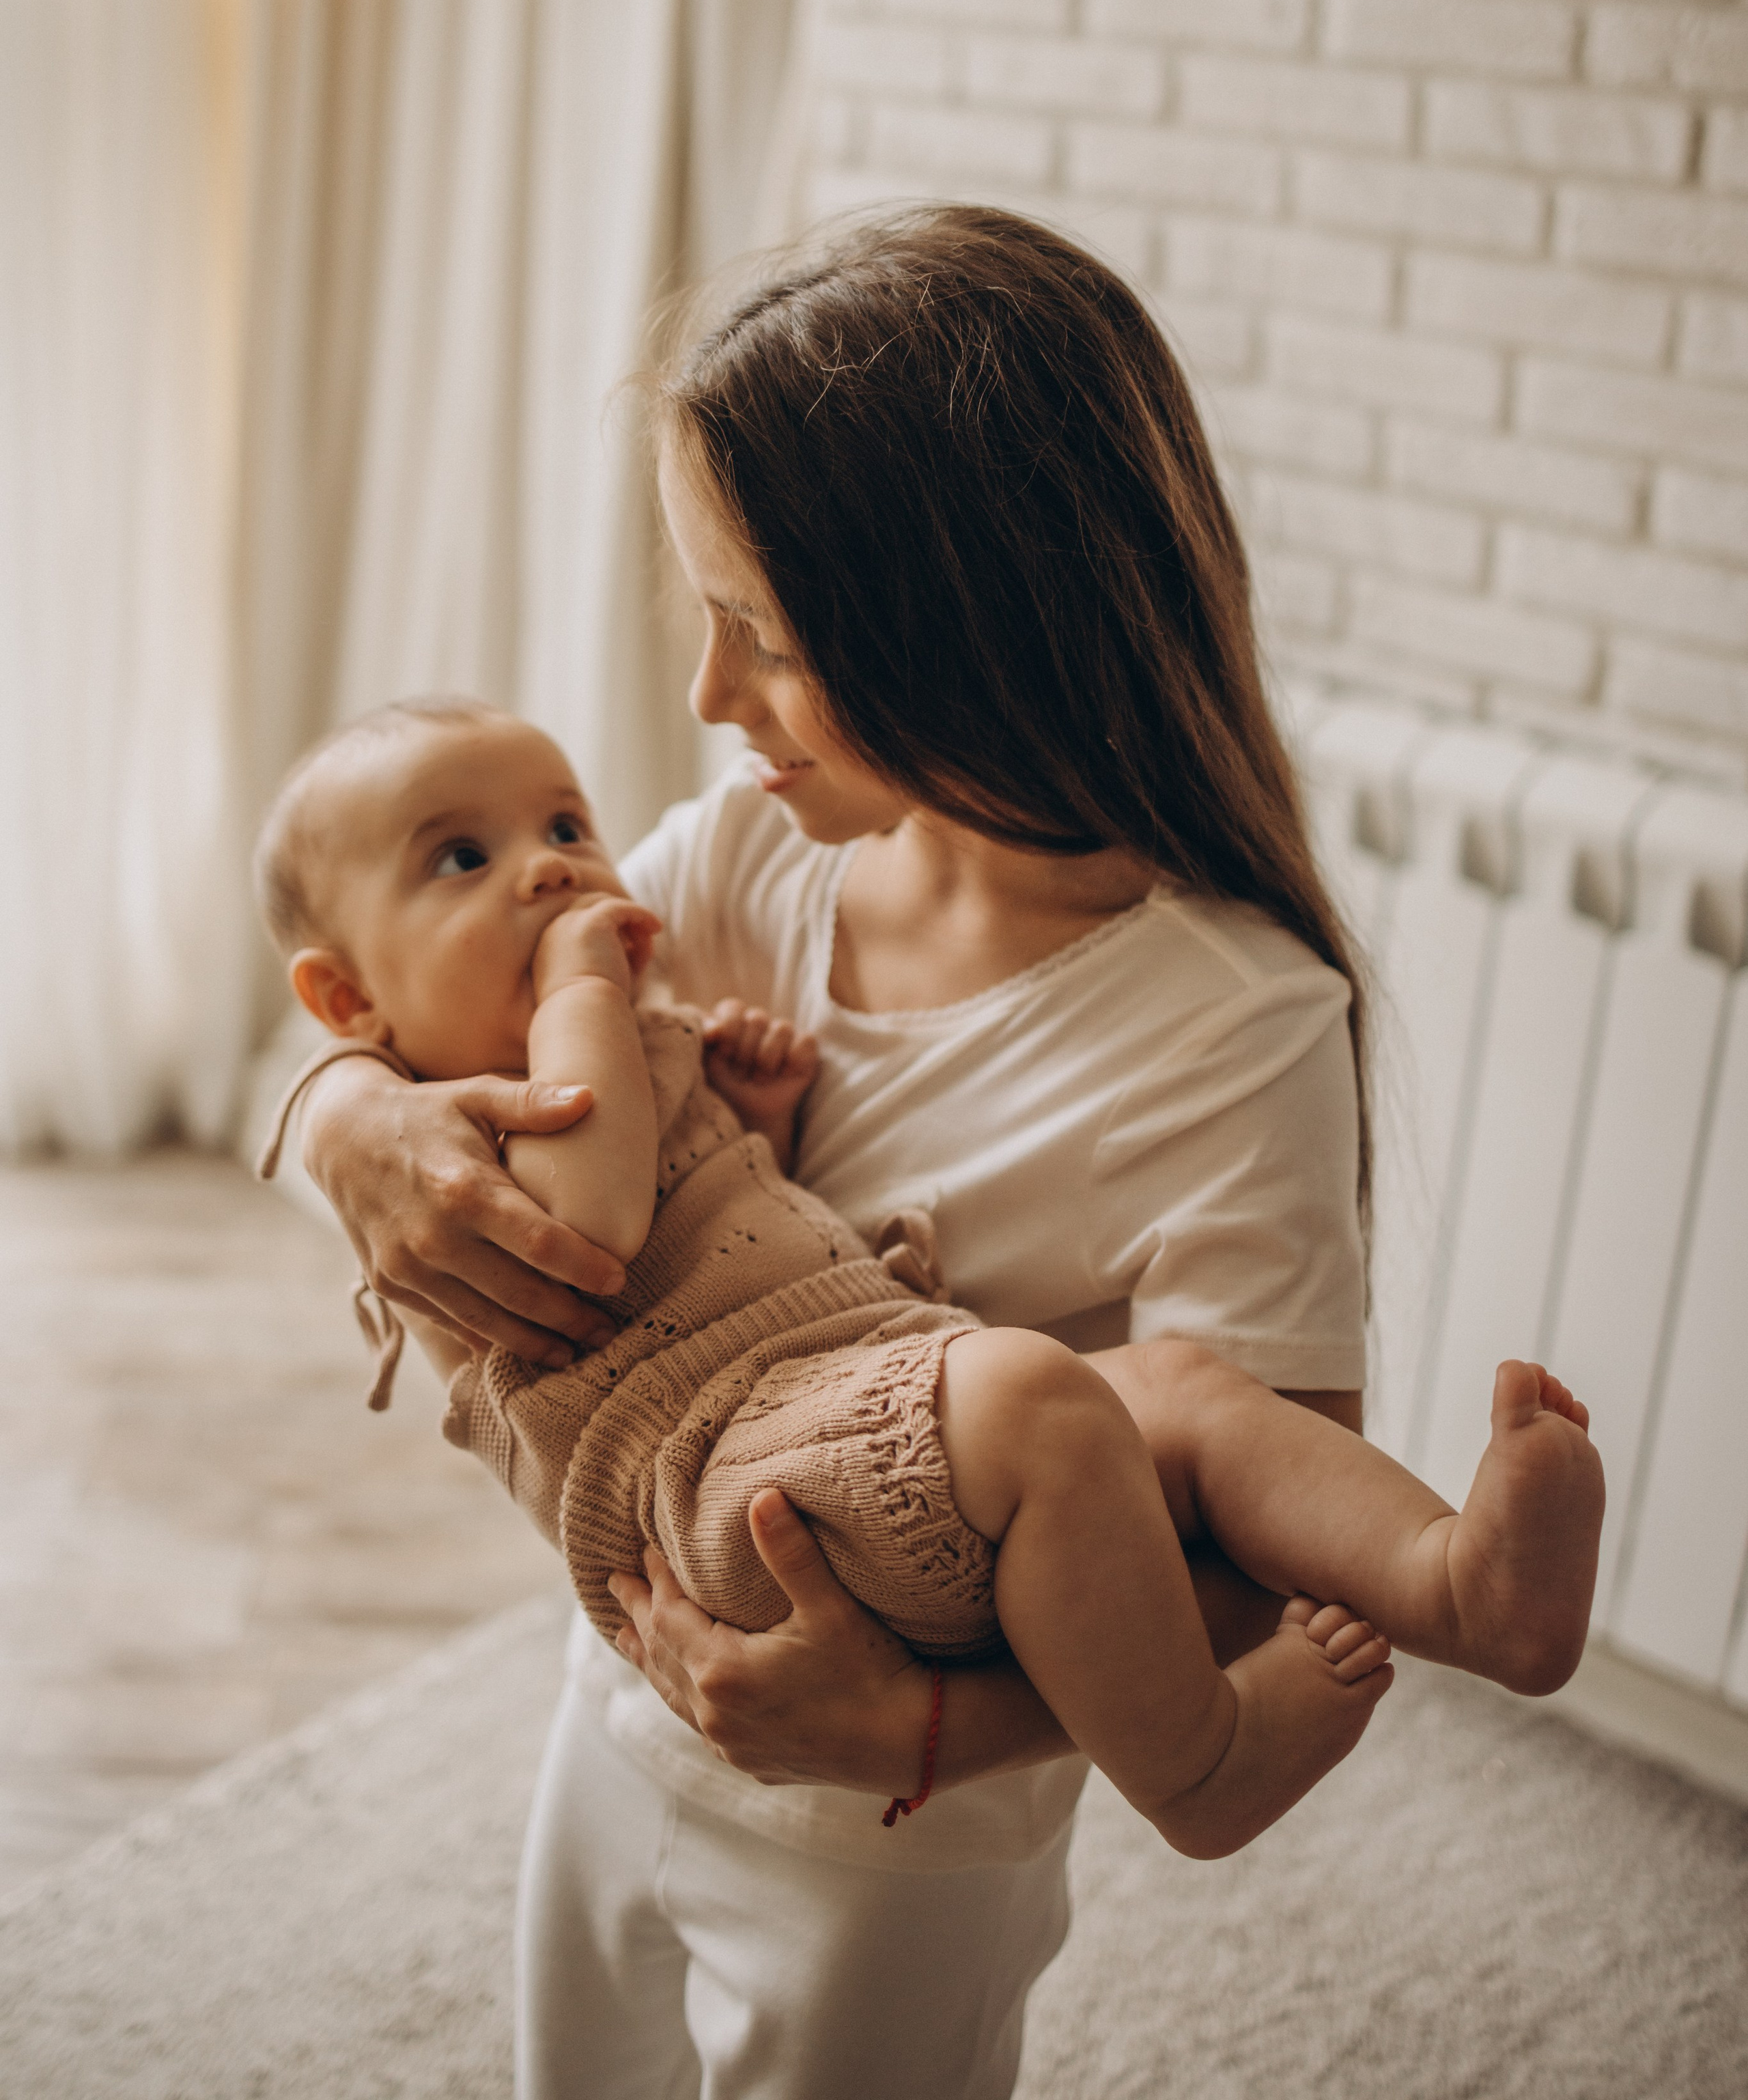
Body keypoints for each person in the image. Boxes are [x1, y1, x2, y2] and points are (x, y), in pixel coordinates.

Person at [279, 206, 1566, 2099]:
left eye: (759, 637)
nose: (708, 698)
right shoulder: (746, 854)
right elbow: (436, 1009)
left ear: (958, 638)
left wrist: (923, 1731)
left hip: (898, 1851)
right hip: (622, 1697)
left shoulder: (1229, 1020)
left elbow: (1240, 1559)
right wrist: (335, 1117)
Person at [255, 699, 1603, 1870]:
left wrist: (756, 1123)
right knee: (1029, 1392)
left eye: (566, 826)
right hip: (704, 1490)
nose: (549, 871)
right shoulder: (455, 1163)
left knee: (1180, 1390)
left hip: (826, 1395)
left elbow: (710, 1242)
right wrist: (344, 1099)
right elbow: (595, 1224)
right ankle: (1202, 1769)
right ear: (349, 1001)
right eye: (463, 858)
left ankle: (1449, 1585)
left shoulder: (623, 1033)